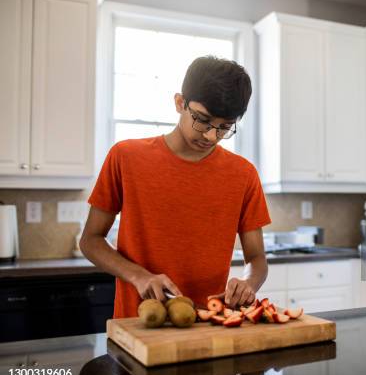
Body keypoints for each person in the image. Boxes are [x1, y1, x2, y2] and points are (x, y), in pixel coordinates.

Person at [80, 56, 271, 318]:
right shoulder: (125, 157)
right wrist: (139, 276)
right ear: (180, 103)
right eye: (202, 120)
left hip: (209, 324)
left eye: (224, 127)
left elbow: (257, 258)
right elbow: (90, 240)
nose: (211, 136)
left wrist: (248, 284)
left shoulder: (244, 174)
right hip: (138, 321)